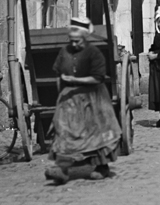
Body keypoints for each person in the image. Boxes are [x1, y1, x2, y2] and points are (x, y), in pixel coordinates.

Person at [45, 17, 121, 185]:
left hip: (93, 96)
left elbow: (98, 78)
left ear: (85, 38)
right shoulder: (64, 52)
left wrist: (74, 79)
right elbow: (59, 75)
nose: (74, 44)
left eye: (77, 41)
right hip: (70, 99)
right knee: (63, 130)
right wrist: (61, 96)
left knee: (96, 129)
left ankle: (102, 167)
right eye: (71, 41)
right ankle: (62, 169)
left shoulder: (94, 53)